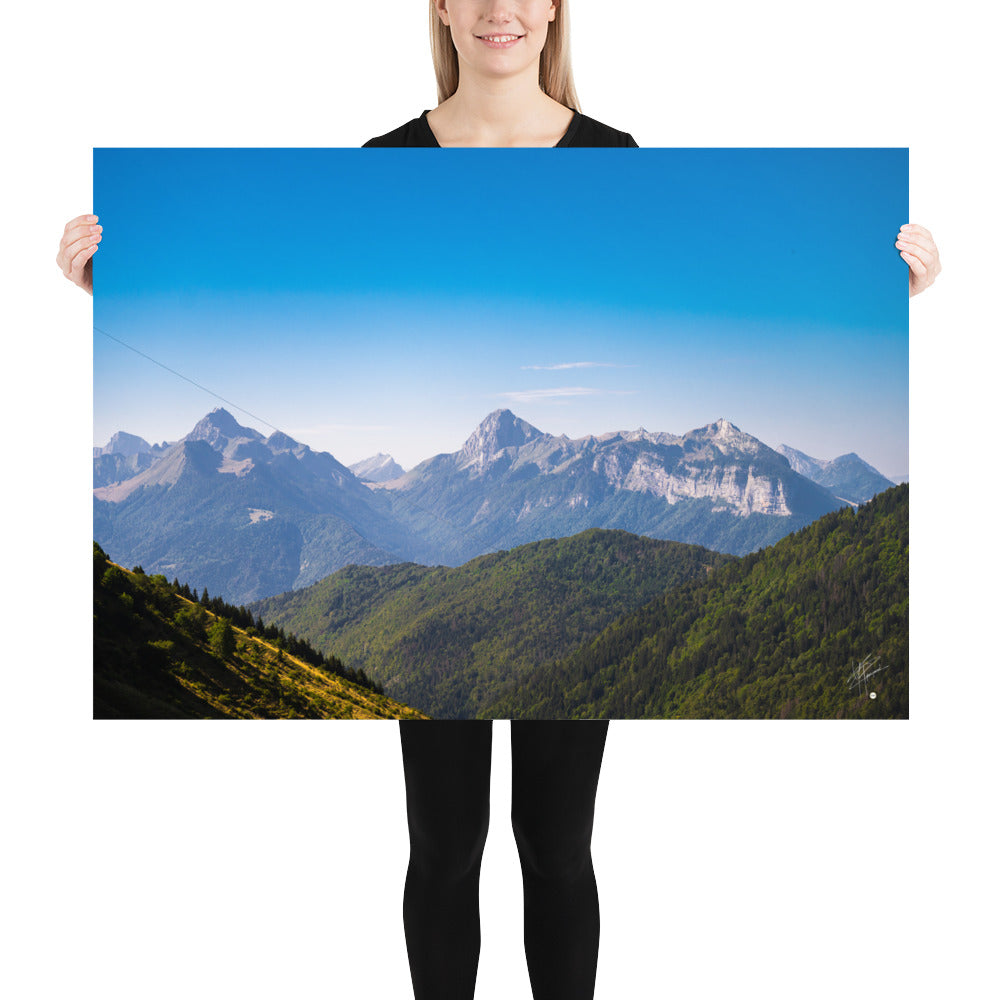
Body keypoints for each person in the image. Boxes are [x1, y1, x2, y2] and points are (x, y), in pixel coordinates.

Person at [66, 3, 939, 998]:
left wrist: (891, 296)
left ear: (558, 5)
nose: (497, 7)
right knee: (444, 846)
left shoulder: (616, 157)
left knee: (556, 847)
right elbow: (252, 275)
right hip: (452, 665)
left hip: (560, 656)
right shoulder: (380, 159)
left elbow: (724, 246)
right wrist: (117, 285)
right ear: (436, 5)